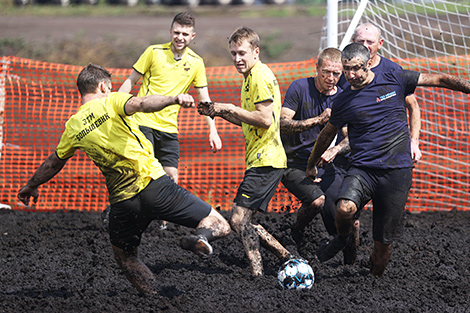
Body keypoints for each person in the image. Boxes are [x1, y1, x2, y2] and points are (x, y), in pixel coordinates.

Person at [17, 64, 231, 295]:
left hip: (123, 203)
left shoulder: (73, 126)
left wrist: (31, 185)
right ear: (103, 86)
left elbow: (54, 162)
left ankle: (154, 298)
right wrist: (173, 99)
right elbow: (141, 103)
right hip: (155, 187)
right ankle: (201, 237)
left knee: (126, 257)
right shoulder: (111, 100)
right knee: (219, 223)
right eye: (109, 87)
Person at [306, 43, 470, 277]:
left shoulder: (394, 77)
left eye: (356, 69)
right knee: (344, 209)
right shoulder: (343, 100)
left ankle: (373, 284)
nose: (350, 75)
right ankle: (343, 239)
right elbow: (327, 134)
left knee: (382, 251)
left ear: (368, 64)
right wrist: (311, 164)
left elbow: (440, 79)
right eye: (346, 70)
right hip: (362, 169)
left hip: (396, 172)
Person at [198, 27, 292, 276]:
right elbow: (248, 120)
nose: (237, 59)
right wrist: (219, 112)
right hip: (261, 159)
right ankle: (286, 257)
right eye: (233, 53)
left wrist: (227, 106)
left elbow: (264, 120)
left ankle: (259, 272)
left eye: (242, 53)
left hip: (267, 159)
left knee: (238, 220)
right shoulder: (250, 77)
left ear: (256, 52)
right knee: (244, 221)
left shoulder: (259, 75)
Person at [117, 12, 222, 230]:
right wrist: (116, 107)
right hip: (142, 122)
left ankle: (163, 221)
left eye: (185, 33)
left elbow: (205, 100)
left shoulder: (196, 62)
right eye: (176, 32)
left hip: (169, 128)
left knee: (172, 175)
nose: (180, 37)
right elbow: (130, 82)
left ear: (193, 36)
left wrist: (213, 130)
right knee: (141, 172)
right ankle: (124, 212)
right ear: (170, 32)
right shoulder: (153, 52)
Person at [279, 47, 352, 259]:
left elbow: (349, 135)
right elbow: (283, 124)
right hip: (294, 163)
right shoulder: (299, 87)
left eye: (336, 73)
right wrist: (317, 120)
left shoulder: (344, 97)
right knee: (317, 201)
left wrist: (337, 149)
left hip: (325, 166)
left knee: (346, 217)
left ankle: (351, 265)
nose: (331, 78)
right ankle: (296, 233)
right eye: (326, 72)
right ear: (317, 68)